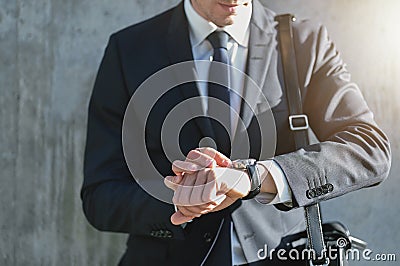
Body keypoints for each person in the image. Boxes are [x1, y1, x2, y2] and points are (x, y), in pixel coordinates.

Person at [81, 0, 391, 265]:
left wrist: (255, 178)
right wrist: (178, 201)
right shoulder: (129, 49)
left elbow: (368, 149)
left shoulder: (304, 42)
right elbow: (100, 195)